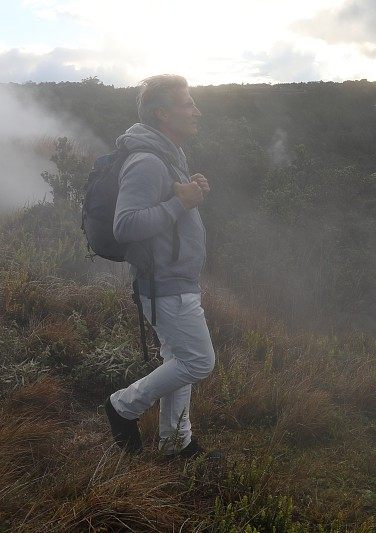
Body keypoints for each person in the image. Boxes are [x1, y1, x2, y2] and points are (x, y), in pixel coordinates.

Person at [103, 74, 221, 461]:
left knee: (179, 361)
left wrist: (191, 191)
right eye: (188, 104)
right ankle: (123, 407)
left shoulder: (169, 154)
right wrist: (179, 204)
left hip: (175, 278)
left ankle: (176, 442)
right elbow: (126, 226)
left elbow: (173, 207)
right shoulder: (147, 160)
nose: (197, 111)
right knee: (198, 361)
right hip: (164, 282)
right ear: (162, 114)